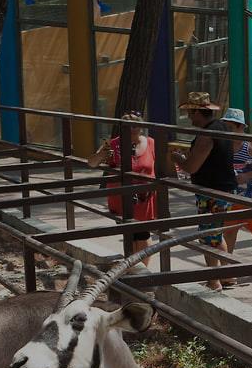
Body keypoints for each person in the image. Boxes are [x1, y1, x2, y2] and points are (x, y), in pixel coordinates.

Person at [172, 92, 236, 291]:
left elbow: (192, 167)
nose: (189, 117)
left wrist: (176, 157)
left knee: (208, 235)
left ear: (198, 112)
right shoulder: (221, 127)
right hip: (222, 188)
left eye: (191, 113)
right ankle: (227, 275)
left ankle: (213, 281)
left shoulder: (206, 134)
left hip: (212, 191)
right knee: (216, 233)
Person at [87, 111, 157, 264]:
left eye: (135, 125)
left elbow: (159, 167)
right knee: (130, 235)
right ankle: (134, 268)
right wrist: (102, 154)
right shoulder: (113, 144)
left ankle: (142, 270)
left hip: (144, 197)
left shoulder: (151, 142)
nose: (132, 129)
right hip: (121, 197)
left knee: (143, 234)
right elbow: (92, 163)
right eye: (128, 126)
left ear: (141, 126)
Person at [220, 108, 252, 282]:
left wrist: (247, 175)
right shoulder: (223, 146)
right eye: (225, 127)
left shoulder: (250, 146)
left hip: (250, 197)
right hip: (230, 196)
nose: (227, 131)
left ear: (240, 127)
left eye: (230, 127)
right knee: (229, 232)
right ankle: (227, 270)